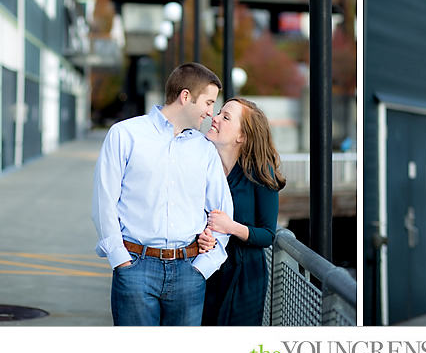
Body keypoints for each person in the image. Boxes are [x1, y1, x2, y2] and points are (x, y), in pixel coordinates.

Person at [91, 62, 234, 326]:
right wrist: (120, 261)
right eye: (209, 102)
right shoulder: (125, 135)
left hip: (189, 271)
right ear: (186, 96)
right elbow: (104, 203)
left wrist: (203, 267)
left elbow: (222, 212)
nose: (210, 113)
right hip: (135, 267)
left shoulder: (204, 149)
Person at [197, 97, 286, 325]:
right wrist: (203, 236)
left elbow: (268, 234)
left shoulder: (260, 172)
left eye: (225, 117)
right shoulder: (204, 165)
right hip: (206, 270)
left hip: (244, 276)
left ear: (242, 136)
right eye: (219, 113)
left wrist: (231, 227)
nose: (214, 118)